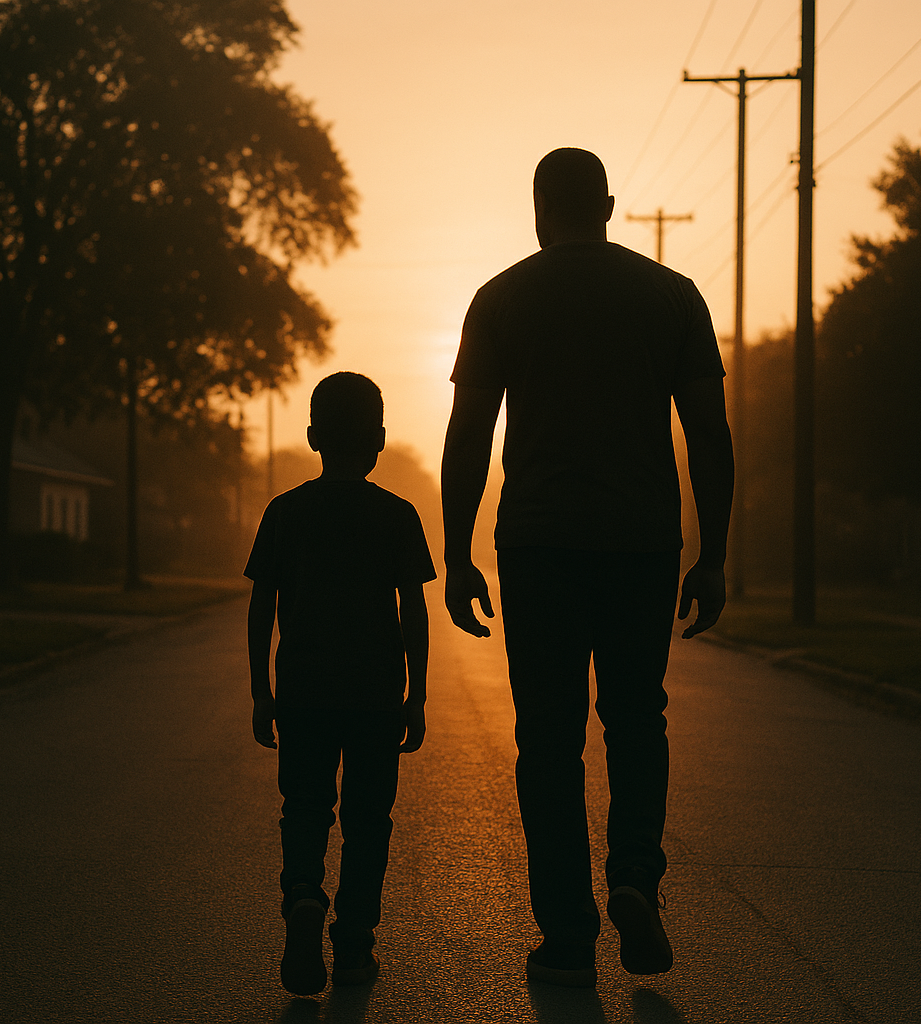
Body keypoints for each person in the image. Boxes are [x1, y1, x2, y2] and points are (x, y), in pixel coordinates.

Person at [441, 148, 733, 987]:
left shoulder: (500, 298)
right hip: (643, 541)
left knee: (549, 739)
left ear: (538, 210)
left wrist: (457, 552)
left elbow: (469, 435)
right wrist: (713, 556)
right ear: (607, 204)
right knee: (638, 719)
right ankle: (636, 879)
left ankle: (568, 930)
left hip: (537, 543)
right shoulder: (672, 296)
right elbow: (708, 435)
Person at [246, 371, 436, 996]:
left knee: (303, 807)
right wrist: (418, 696)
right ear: (379, 440)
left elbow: (260, 607)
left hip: (302, 686)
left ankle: (303, 896)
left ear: (311, 437)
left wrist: (260, 692)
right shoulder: (397, 515)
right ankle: (354, 943)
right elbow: (414, 610)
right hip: (375, 691)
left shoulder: (285, 512)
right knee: (368, 819)